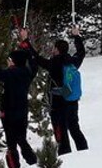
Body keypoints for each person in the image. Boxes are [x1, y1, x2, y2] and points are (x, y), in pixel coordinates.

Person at [23, 27, 88, 155]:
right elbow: (81, 52)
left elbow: (36, 58)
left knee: (60, 129)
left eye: (54, 48)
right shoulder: (73, 62)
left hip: (58, 102)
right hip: (72, 100)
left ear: (57, 50)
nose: (52, 50)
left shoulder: (54, 63)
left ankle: (65, 154)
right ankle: (83, 151)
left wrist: (26, 41)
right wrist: (77, 36)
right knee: (74, 127)